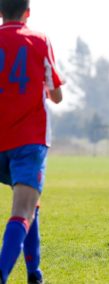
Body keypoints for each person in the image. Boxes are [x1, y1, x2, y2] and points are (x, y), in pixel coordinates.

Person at [0, 1, 64, 283]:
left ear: (1, 12)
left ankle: (34, 273)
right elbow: (56, 94)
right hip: (28, 139)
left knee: (31, 205)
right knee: (23, 209)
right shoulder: (38, 40)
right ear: (28, 12)